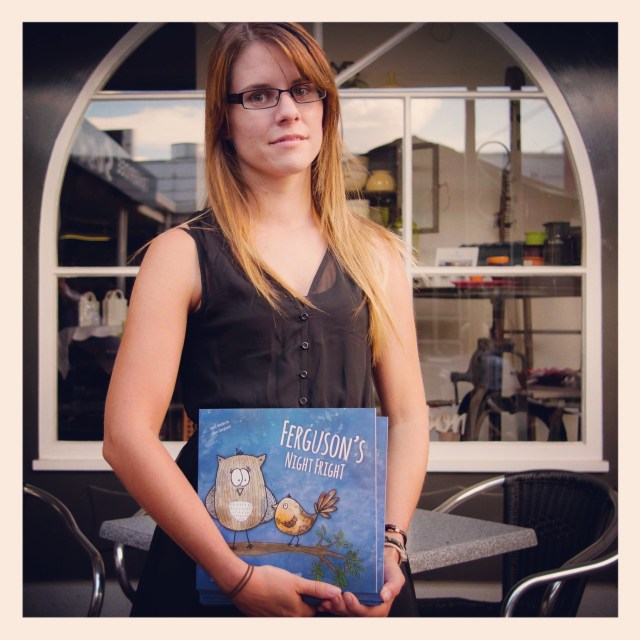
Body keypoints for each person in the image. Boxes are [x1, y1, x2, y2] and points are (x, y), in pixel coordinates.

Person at [103, 22, 429, 617]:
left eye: (304, 90)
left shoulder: (376, 254)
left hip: (356, 571)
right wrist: (236, 578)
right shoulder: (180, 254)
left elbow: (408, 417)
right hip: (210, 567)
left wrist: (390, 545)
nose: (288, 111)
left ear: (325, 108)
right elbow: (126, 438)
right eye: (259, 94)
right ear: (224, 119)